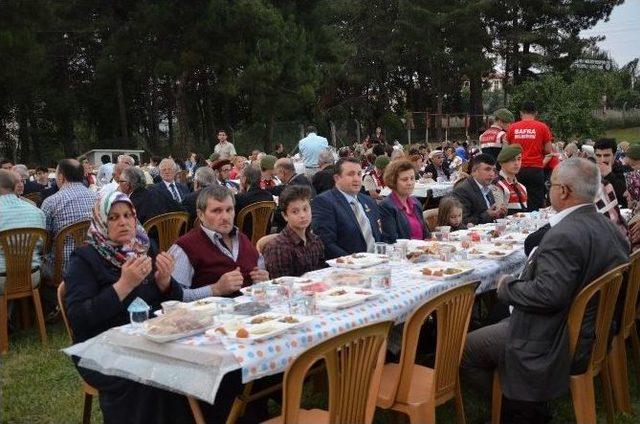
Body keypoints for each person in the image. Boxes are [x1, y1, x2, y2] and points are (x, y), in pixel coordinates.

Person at [461, 158, 629, 424]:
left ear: (563, 192)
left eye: (551, 184)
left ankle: (518, 410)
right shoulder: (608, 225)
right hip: (595, 328)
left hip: (558, 335)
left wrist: (507, 287)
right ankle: (523, 404)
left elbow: (548, 295)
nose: (549, 189)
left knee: (466, 349)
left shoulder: (564, 234)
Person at [64, 191, 195, 424]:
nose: (123, 222)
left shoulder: (145, 247)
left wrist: (165, 282)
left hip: (150, 341)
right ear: (101, 221)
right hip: (100, 347)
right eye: (113, 217)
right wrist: (123, 285)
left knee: (188, 368)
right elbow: (79, 318)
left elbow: (172, 299)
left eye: (127, 215)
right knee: (142, 379)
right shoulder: (85, 258)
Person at [168, 185, 269, 301]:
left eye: (229, 210)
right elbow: (174, 298)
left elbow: (261, 274)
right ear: (201, 215)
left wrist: (263, 281)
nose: (225, 217)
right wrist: (215, 289)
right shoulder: (185, 247)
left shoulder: (243, 239)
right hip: (208, 316)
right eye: (217, 211)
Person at [311, 158, 383, 259]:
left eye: (359, 174)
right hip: (348, 267)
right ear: (337, 178)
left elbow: (380, 236)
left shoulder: (369, 201)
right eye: (351, 174)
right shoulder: (325, 202)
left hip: (377, 262)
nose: (357, 179)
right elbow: (326, 243)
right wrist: (355, 261)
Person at [41, 159, 98, 275]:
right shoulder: (98, 198)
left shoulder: (51, 202)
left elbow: (43, 240)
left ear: (61, 177)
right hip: (95, 263)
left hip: (62, 268)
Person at [0, 170, 45, 301]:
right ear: (13, 185)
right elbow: (41, 244)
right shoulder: (36, 210)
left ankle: (7, 317)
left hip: (2, 279)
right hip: (32, 275)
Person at [263, 185, 324, 278]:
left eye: (305, 209)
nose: (302, 215)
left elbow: (321, 274)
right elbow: (281, 285)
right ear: (285, 216)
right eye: (295, 212)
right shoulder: (279, 248)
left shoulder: (315, 241)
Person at [506, 101, 553, 211]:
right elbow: (548, 149)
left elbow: (507, 149)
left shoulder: (512, 128)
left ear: (521, 113)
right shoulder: (542, 127)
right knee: (536, 202)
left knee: (518, 200)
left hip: (517, 169)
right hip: (535, 169)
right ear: (535, 113)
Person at [380, 160, 429, 242]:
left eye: (412, 178)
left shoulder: (416, 203)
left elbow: (426, 234)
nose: (410, 183)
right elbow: (391, 240)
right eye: (404, 179)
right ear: (393, 181)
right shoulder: (386, 206)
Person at [118, 167, 184, 226]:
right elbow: (180, 210)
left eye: (120, 181)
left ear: (127, 185)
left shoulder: (129, 205)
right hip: (171, 235)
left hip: (147, 238)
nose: (118, 184)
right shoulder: (159, 192)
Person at [453, 154, 506, 225]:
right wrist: (488, 215)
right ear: (474, 172)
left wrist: (499, 213)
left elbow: (491, 214)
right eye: (487, 169)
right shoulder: (462, 190)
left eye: (493, 170)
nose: (492, 174)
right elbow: (462, 221)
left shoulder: (487, 187)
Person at [235, 165, 274, 238]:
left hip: (244, 240)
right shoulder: (269, 196)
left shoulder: (239, 199)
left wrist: (240, 191)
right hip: (264, 238)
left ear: (244, 179)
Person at [594, 138, 627, 208]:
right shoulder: (590, 173)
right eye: (598, 156)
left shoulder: (625, 171)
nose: (602, 160)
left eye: (606, 155)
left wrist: (609, 175)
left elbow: (626, 198)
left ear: (614, 156)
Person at [495, 144, 528, 215]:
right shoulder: (497, 185)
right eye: (512, 160)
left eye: (519, 159)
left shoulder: (522, 187)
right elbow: (498, 215)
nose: (517, 163)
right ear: (501, 163)